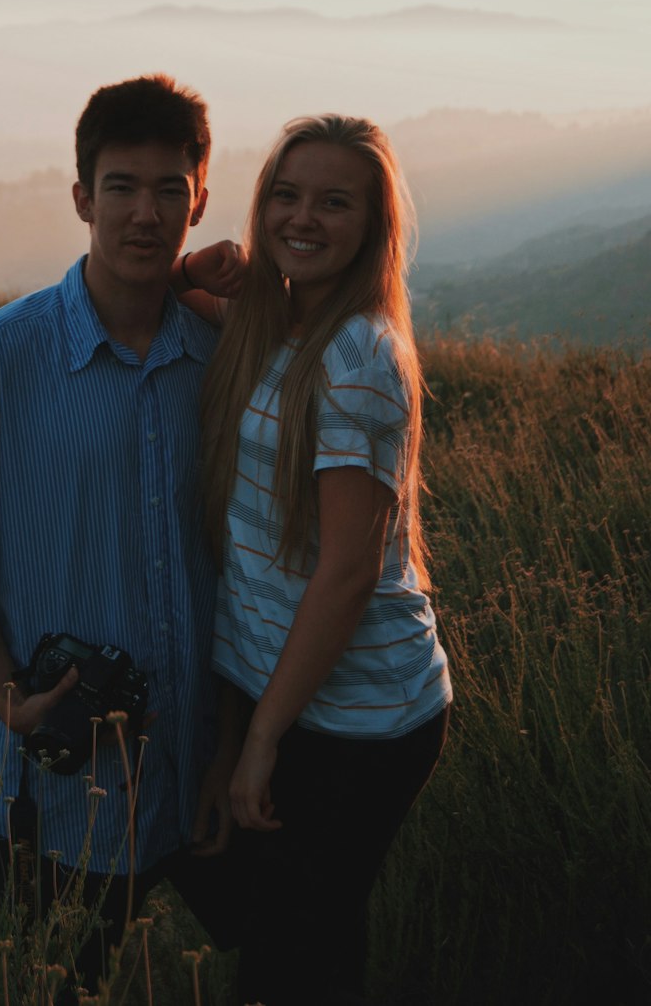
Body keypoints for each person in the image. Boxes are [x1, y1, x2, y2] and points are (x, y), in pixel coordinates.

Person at [0, 73, 240, 993]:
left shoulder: (222, 352)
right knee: (50, 982)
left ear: (200, 199)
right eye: (122, 187)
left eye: (171, 188)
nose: (145, 212)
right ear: (82, 196)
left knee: (286, 957)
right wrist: (11, 696)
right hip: (60, 776)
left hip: (202, 753)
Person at [193, 114, 453, 1006]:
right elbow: (203, 307)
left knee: (291, 953)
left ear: (373, 225)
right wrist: (199, 270)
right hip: (292, 694)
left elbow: (347, 571)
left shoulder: (357, 357)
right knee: (281, 927)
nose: (304, 219)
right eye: (286, 195)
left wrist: (261, 740)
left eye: (335, 202)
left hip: (359, 718)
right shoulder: (287, 317)